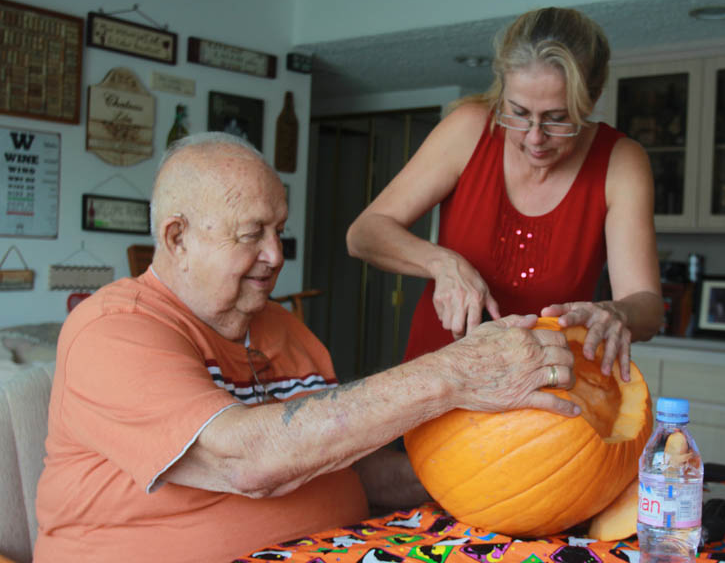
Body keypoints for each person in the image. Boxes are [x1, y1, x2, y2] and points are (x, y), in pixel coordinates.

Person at [32, 132, 578, 563]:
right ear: (177, 238)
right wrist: (457, 373)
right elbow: (245, 458)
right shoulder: (112, 328)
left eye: (280, 230)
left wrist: (514, 469)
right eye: (251, 234)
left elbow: (349, 468)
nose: (276, 254)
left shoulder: (286, 329)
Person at [347, 7, 663, 378]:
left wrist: (617, 313)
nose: (534, 137)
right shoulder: (468, 129)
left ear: (589, 101)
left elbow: (648, 305)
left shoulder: (620, 162)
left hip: (542, 390)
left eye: (557, 118)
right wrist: (442, 263)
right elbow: (364, 233)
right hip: (437, 380)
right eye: (518, 112)